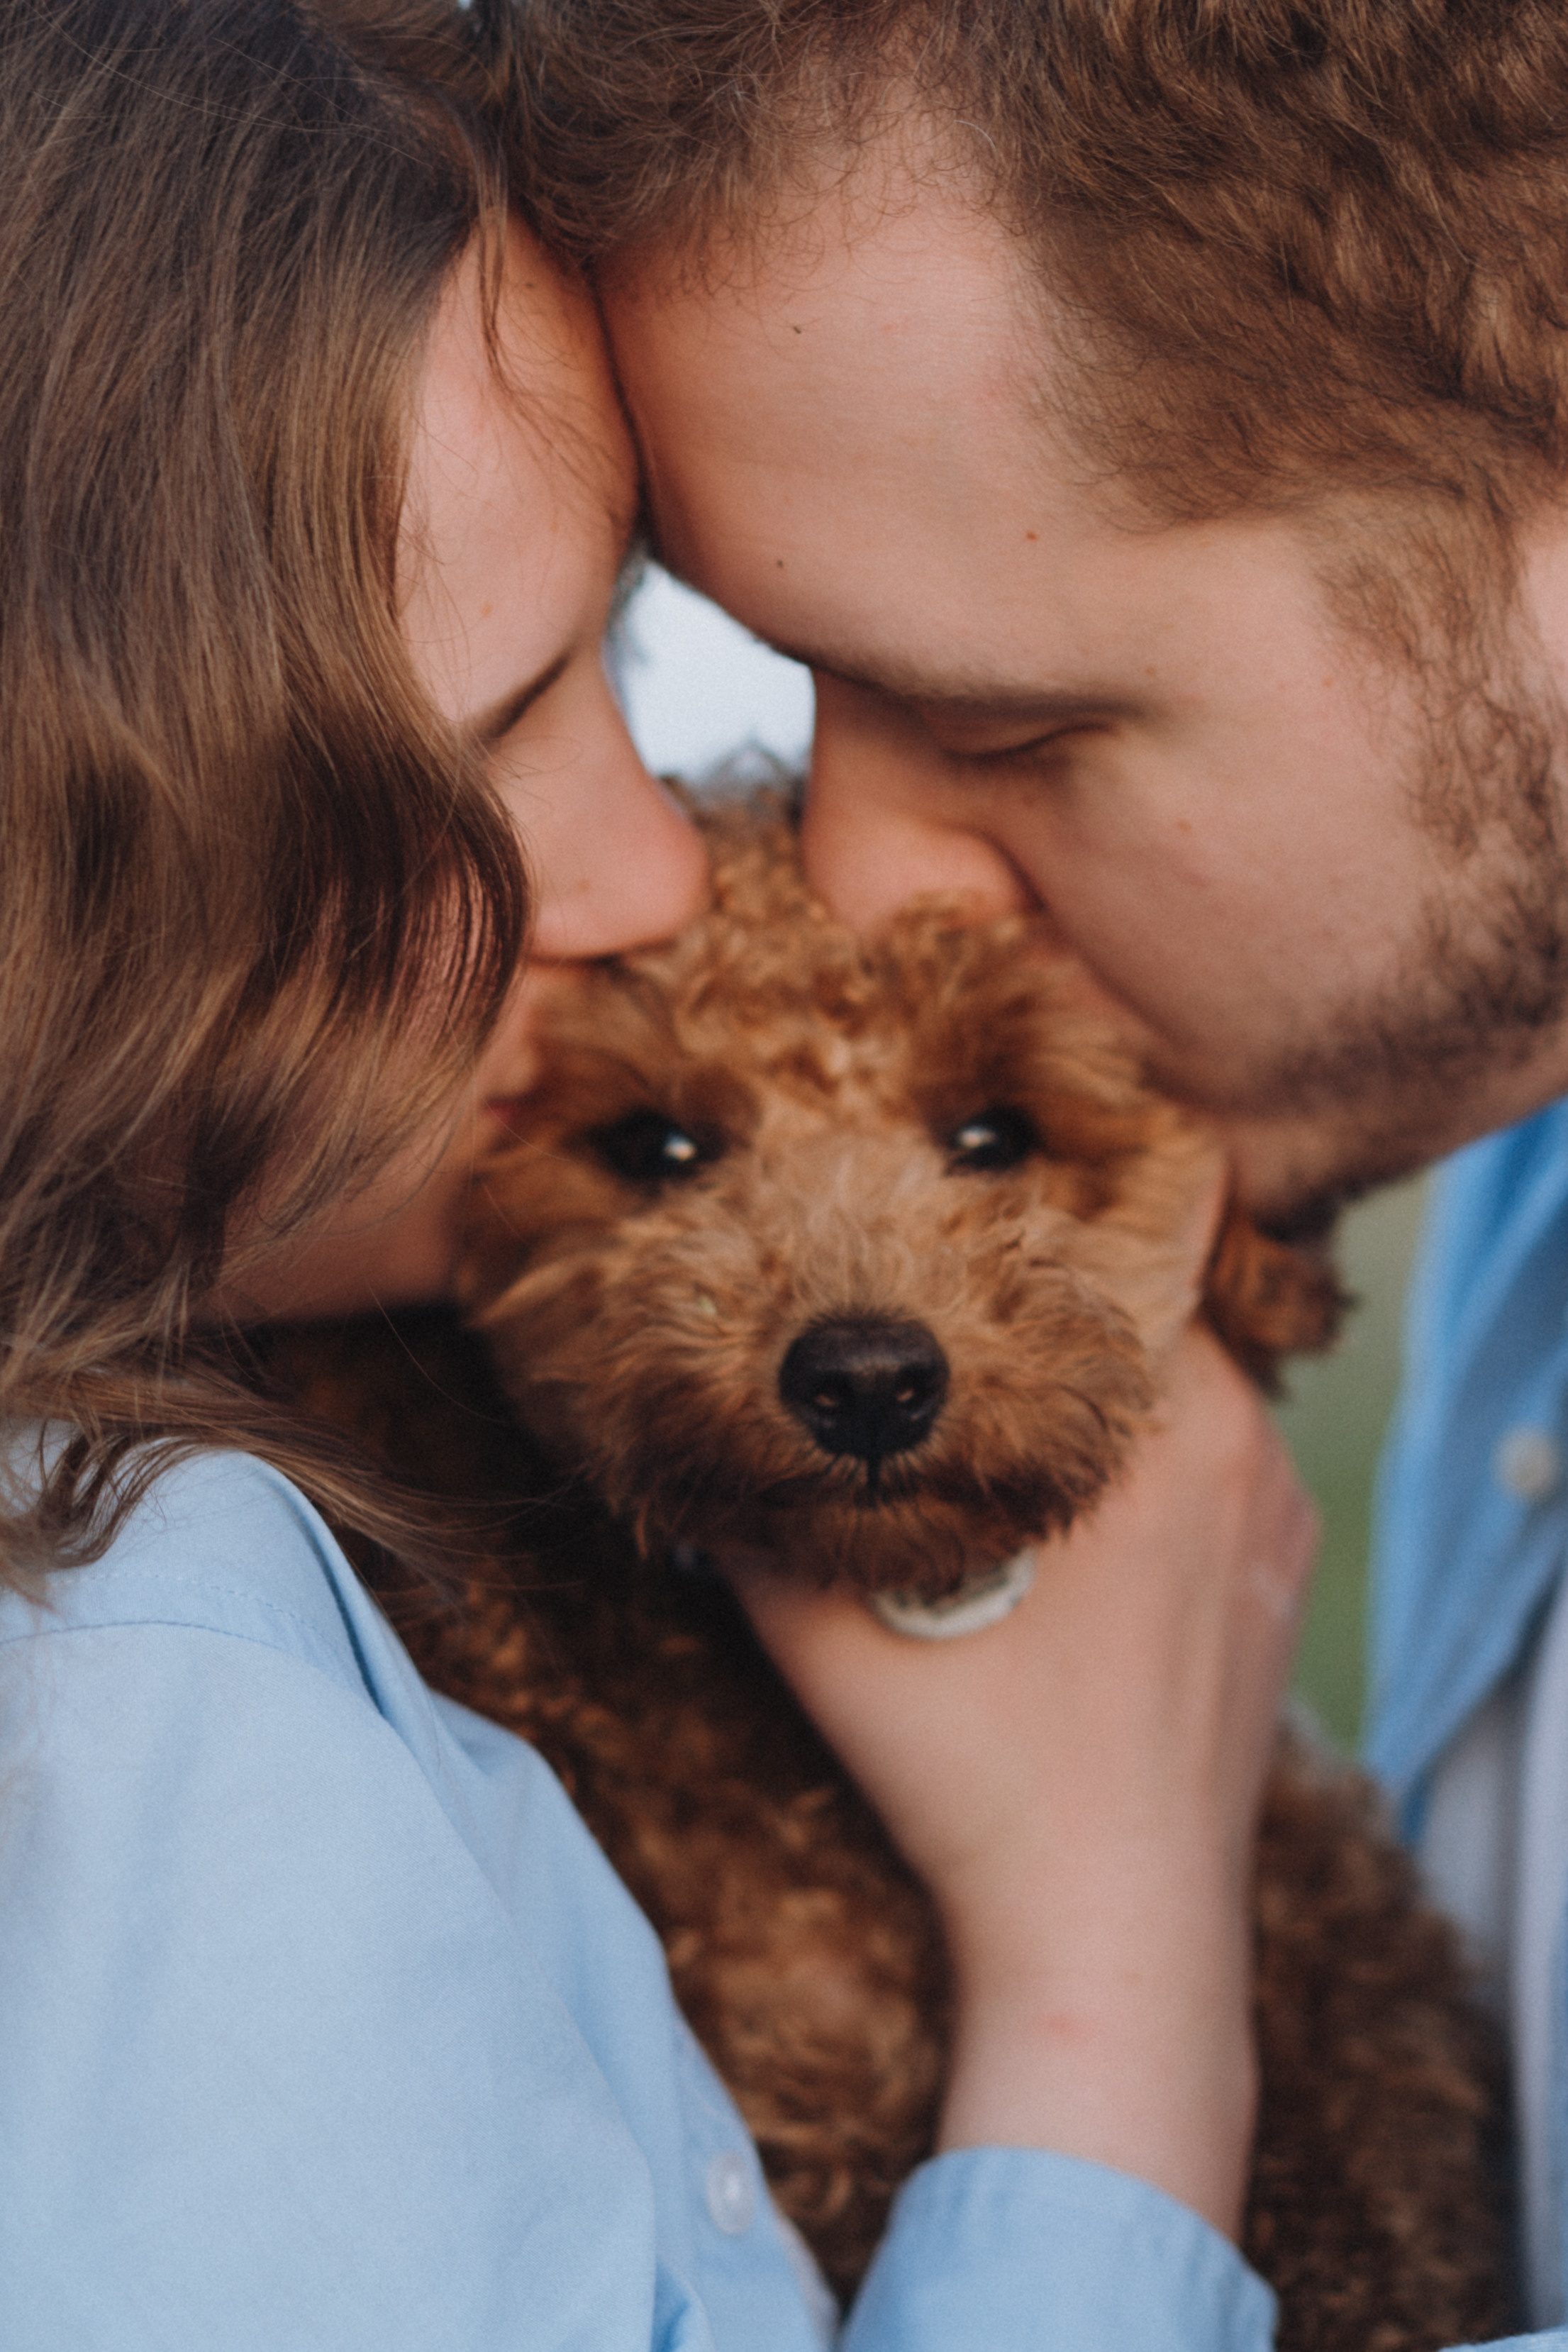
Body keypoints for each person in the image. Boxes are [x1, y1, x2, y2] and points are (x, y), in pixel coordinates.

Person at [0, 1, 1306, 2344]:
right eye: (502, 727)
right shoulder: (128, 1674)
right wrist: (1107, 1968)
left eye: (614, 657)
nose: (657, 873)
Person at [504, 1, 1568, 2344]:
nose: (861, 882)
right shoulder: (1492, 1169)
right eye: (787, 686)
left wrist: (1102, 1966)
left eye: (1004, 724)